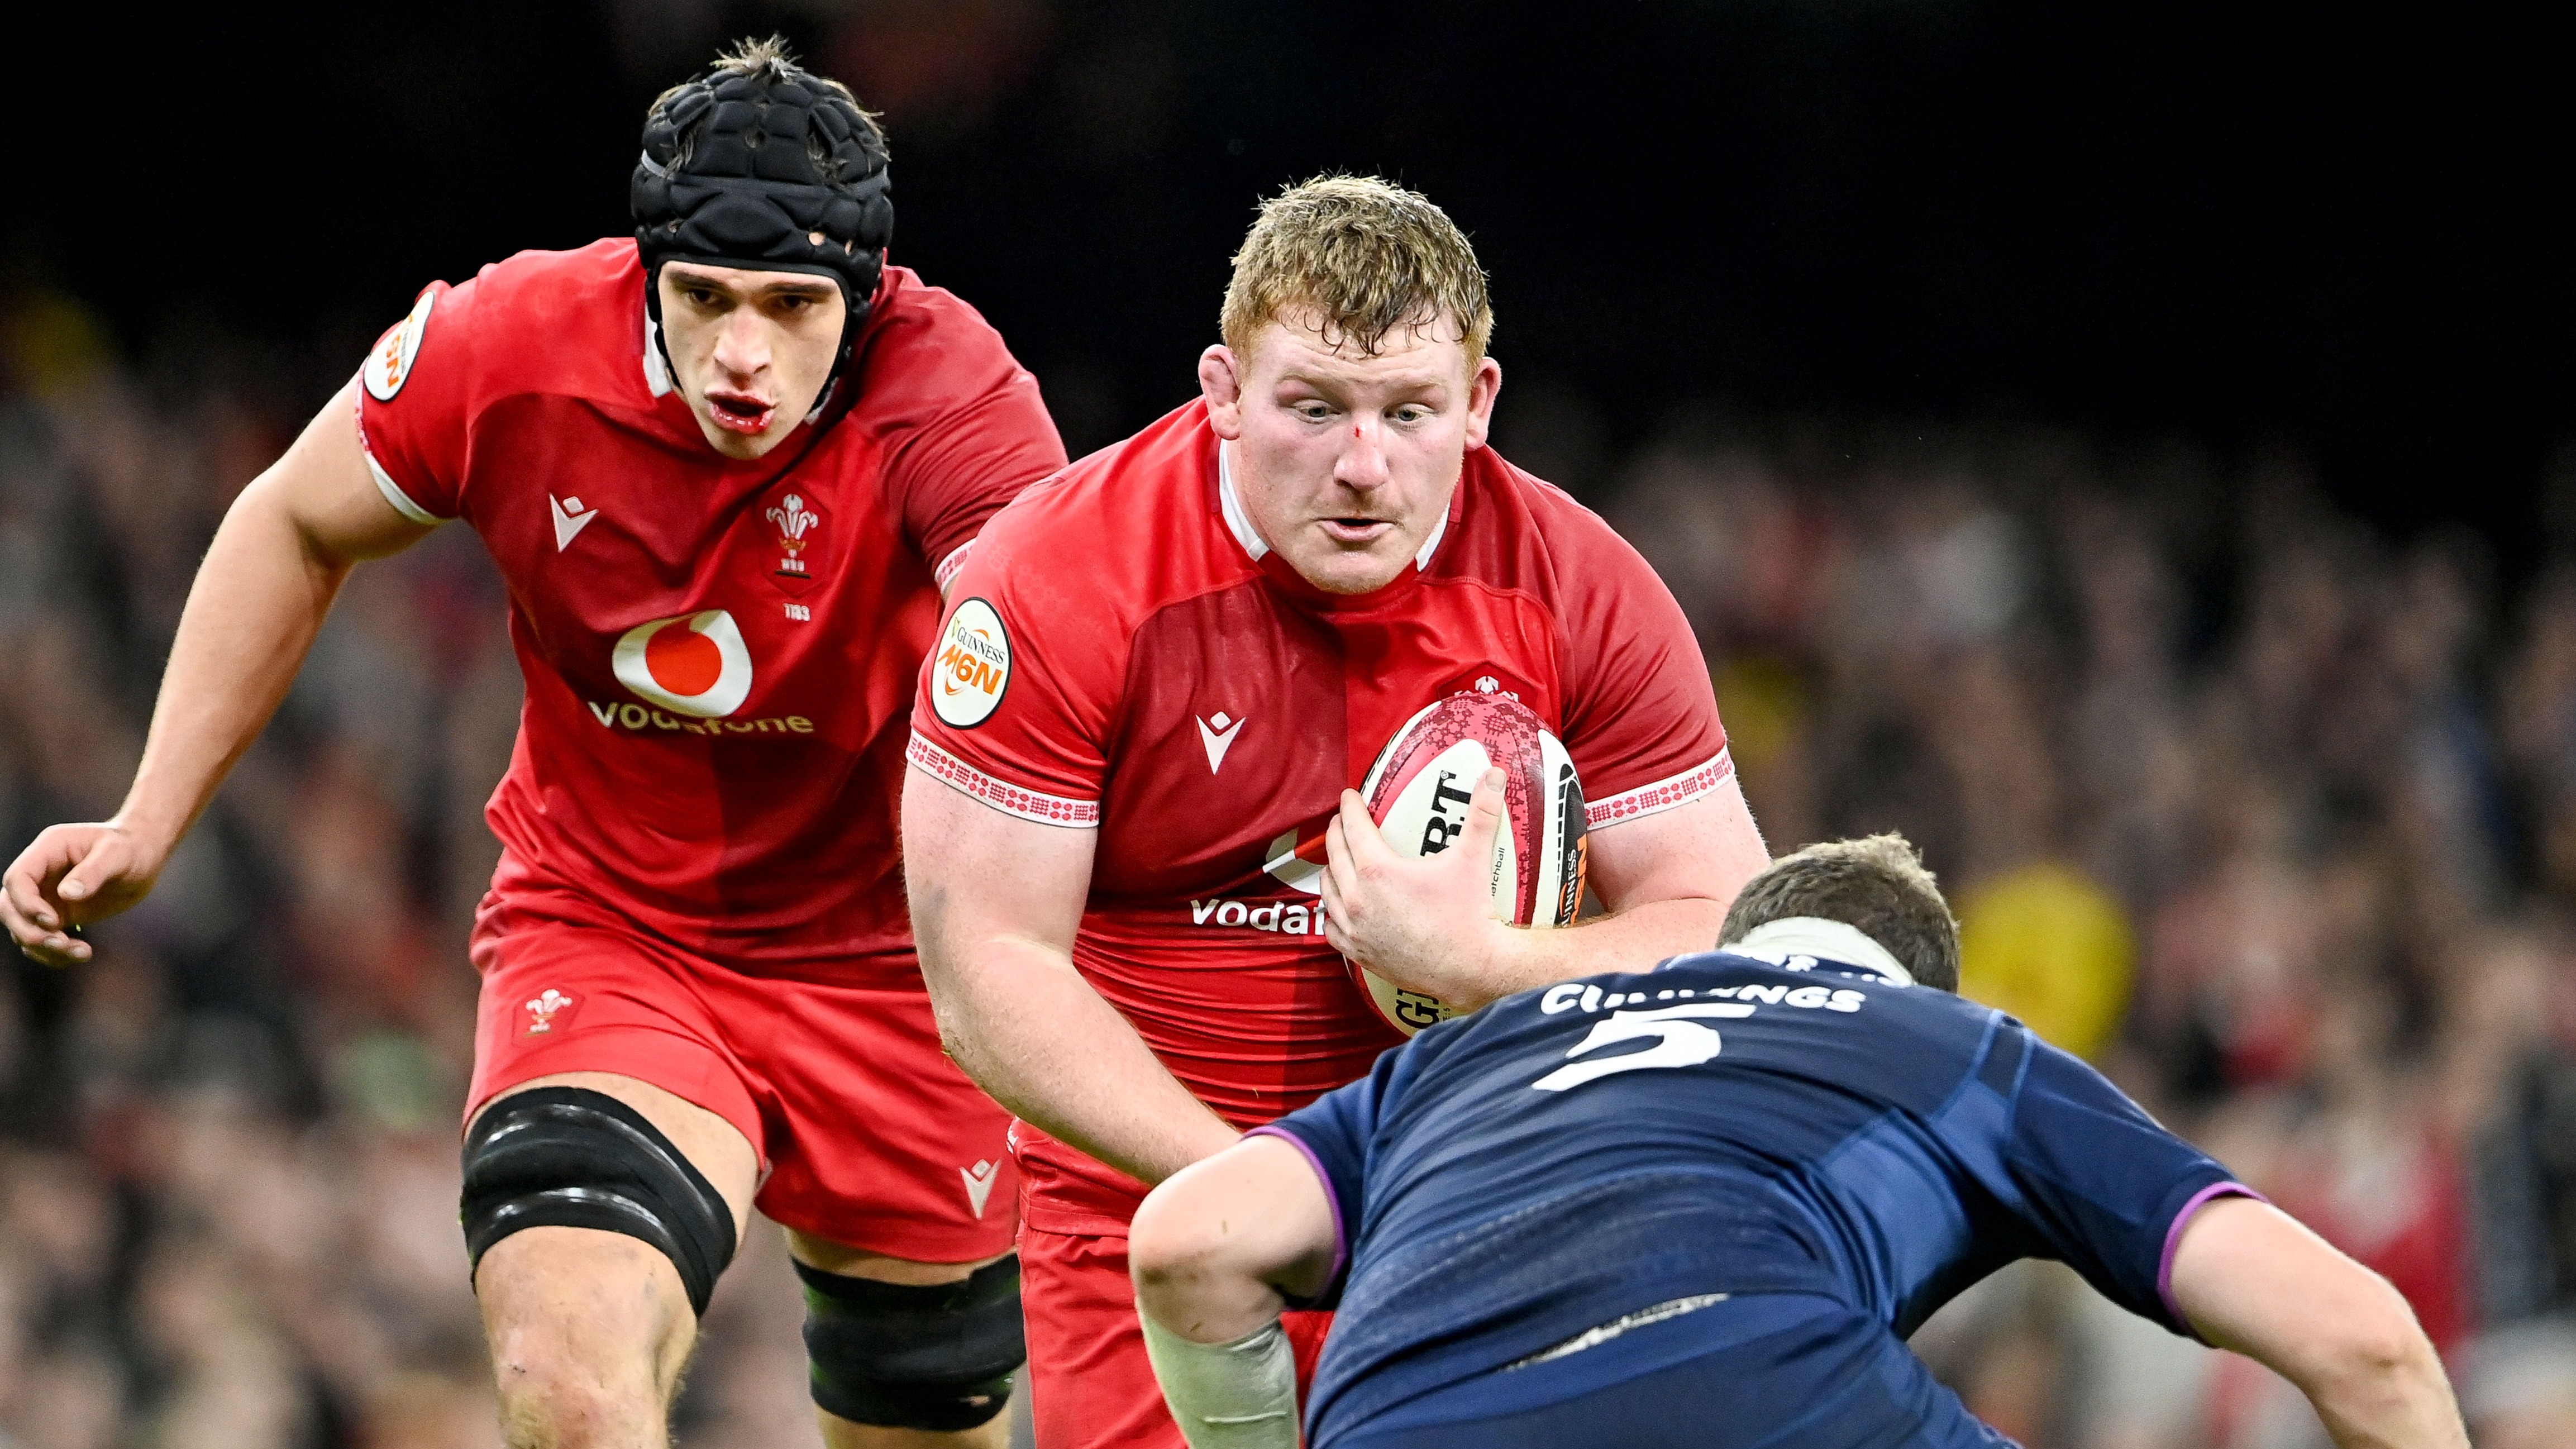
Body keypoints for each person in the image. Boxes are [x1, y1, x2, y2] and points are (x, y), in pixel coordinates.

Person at [1, 39, 1065, 1449]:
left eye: (792, 307)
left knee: (922, 1421)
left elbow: (1061, 665)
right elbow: (295, 517)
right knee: (567, 1385)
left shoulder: (956, 398)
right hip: (617, 929)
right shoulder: (506, 346)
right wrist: (149, 815)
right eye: (703, 299)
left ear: (865, 301)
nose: (743, 355)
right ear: (643, 272)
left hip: (897, 961)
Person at [899, 175, 1772, 1447]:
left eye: (1408, 413)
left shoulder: (1579, 590)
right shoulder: (1057, 575)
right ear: (1221, 394)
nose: (1364, 468)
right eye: (1312, 409)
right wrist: (1255, 1188)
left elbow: (1726, 926)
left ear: (1477, 405)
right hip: (1144, 1210)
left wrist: (1492, 962)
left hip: (1471, 1199)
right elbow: (985, 971)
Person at [1127, 833, 2470, 1449]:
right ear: (1913, 988)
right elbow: (2360, 1338)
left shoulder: (1463, 1053)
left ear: (1729, 956)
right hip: (1740, 1372)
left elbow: (1186, 1243)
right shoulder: (1961, 1053)